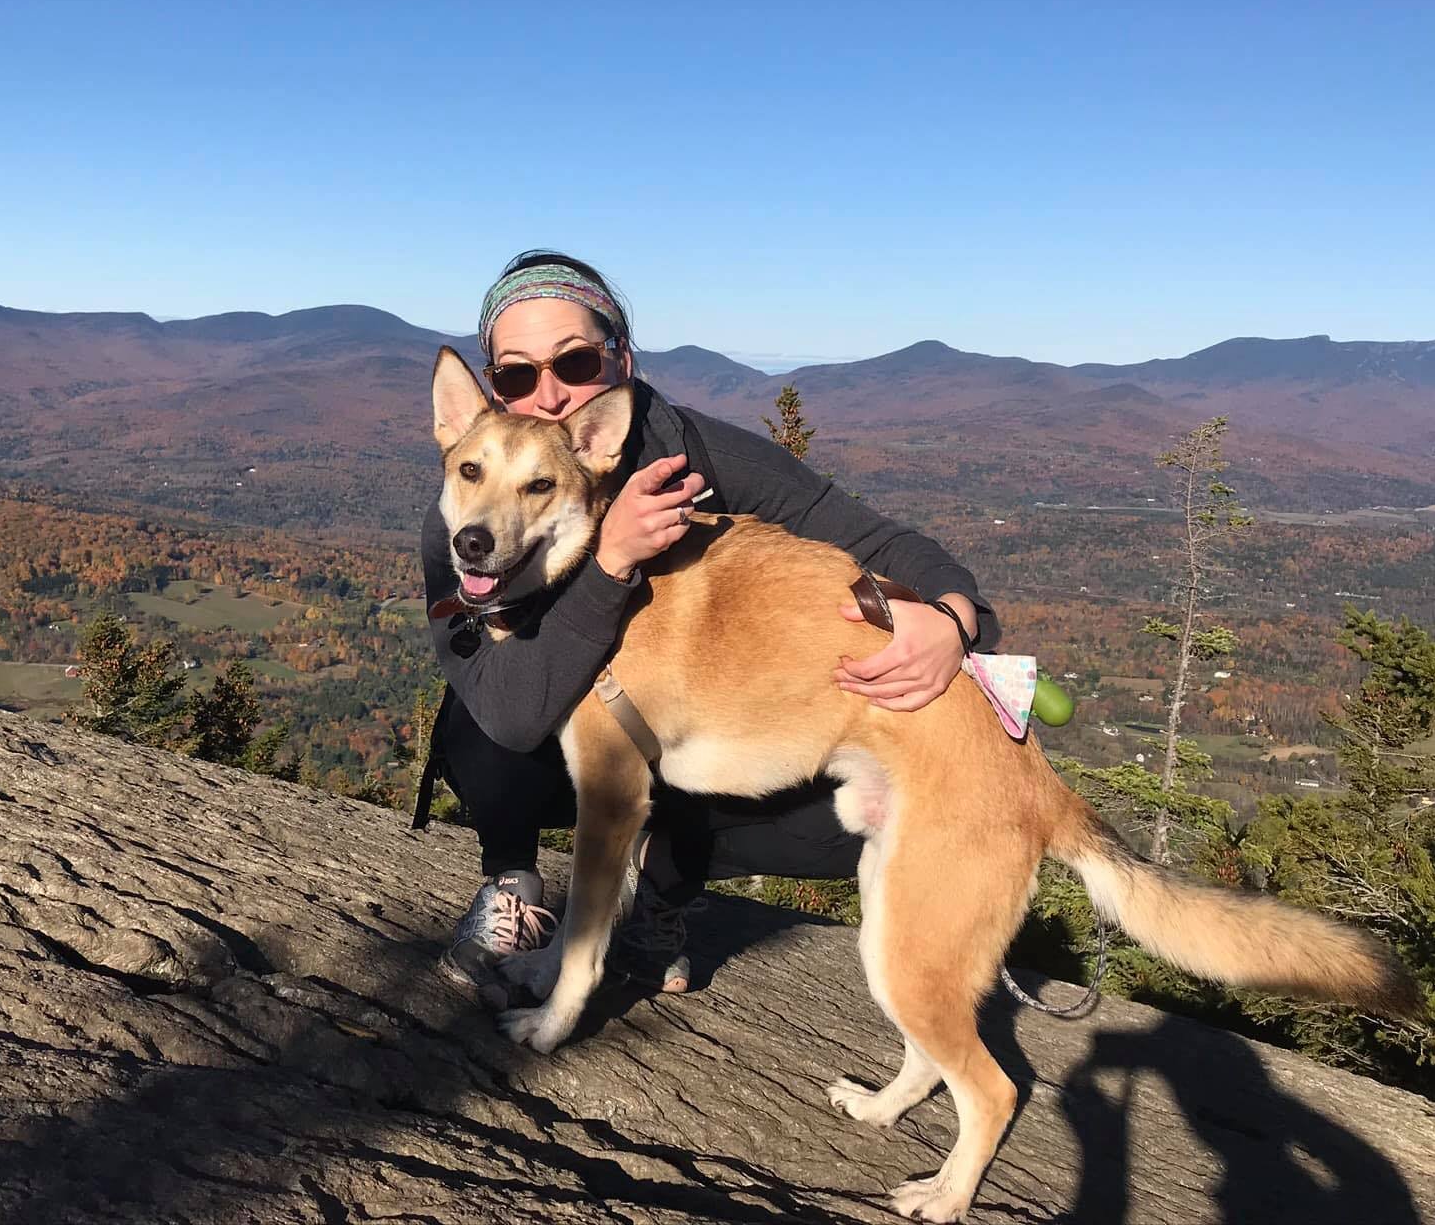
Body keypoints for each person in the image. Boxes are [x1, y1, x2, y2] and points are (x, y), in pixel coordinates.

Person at [415, 250, 999, 995]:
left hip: (684, 727)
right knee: (485, 733)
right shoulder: (469, 514)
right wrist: (612, 563)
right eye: (517, 375)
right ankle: (514, 883)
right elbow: (510, 713)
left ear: (620, 359)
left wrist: (954, 615)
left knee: (836, 818)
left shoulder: (694, 452)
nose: (551, 395)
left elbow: (883, 540)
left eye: (577, 361)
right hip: (538, 743)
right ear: (487, 388)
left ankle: (661, 874)